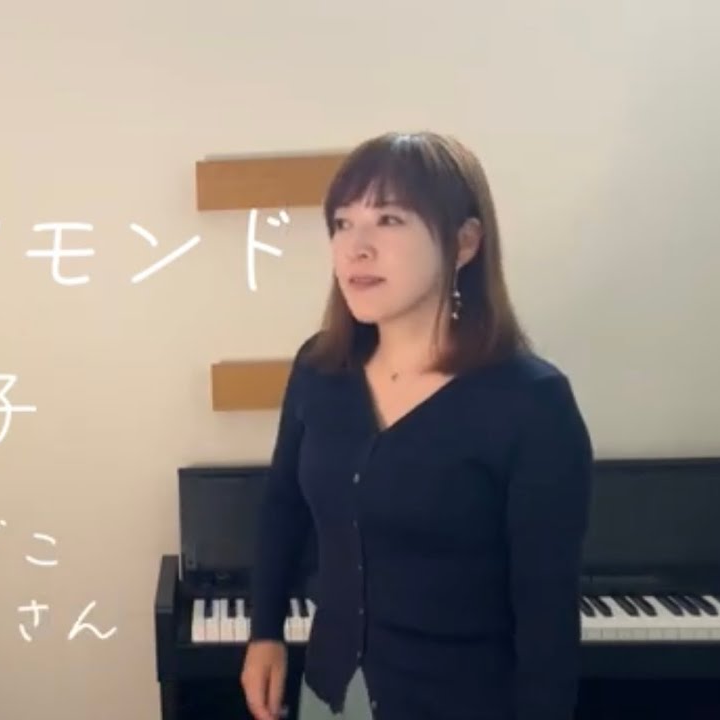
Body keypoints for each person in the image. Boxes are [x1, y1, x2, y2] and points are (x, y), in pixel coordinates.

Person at [238, 131, 594, 720]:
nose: (356, 248)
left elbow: (546, 617)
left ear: (464, 242)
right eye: (343, 224)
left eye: (389, 220)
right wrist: (265, 632)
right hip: (331, 691)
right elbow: (283, 504)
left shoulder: (532, 402)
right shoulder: (319, 368)